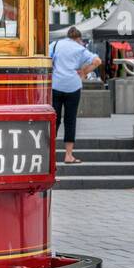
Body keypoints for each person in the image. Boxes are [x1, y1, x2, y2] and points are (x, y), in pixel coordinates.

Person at [51, 26, 102, 164]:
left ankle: (50, 155)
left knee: (54, 120)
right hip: (73, 87)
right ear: (78, 38)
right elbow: (97, 61)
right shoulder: (80, 49)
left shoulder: (55, 44)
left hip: (56, 85)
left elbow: (47, 60)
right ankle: (68, 156)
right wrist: (84, 71)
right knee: (70, 120)